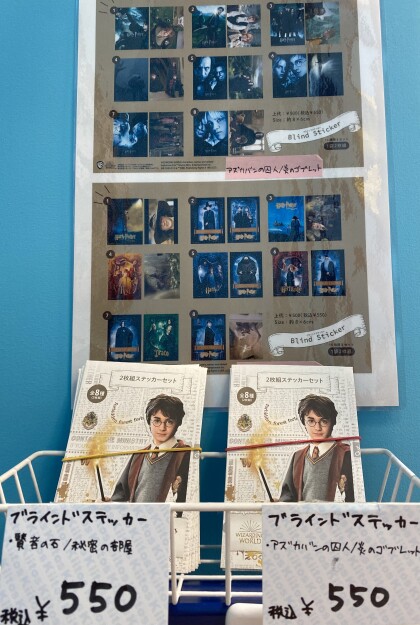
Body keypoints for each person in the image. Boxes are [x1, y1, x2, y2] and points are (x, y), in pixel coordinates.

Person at [111, 394, 190, 503]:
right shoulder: (138, 456)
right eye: (157, 421)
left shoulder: (185, 454)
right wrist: (109, 503)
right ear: (149, 422)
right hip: (137, 514)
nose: (162, 428)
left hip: (168, 514)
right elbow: (120, 496)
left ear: (177, 424)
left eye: (169, 422)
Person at [279, 394, 354, 502]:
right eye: (311, 421)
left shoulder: (346, 454)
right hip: (303, 513)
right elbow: (287, 497)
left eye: (324, 421)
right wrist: (280, 504)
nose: (317, 428)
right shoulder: (297, 457)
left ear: (332, 422)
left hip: (334, 513)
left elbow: (353, 497)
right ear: (304, 422)